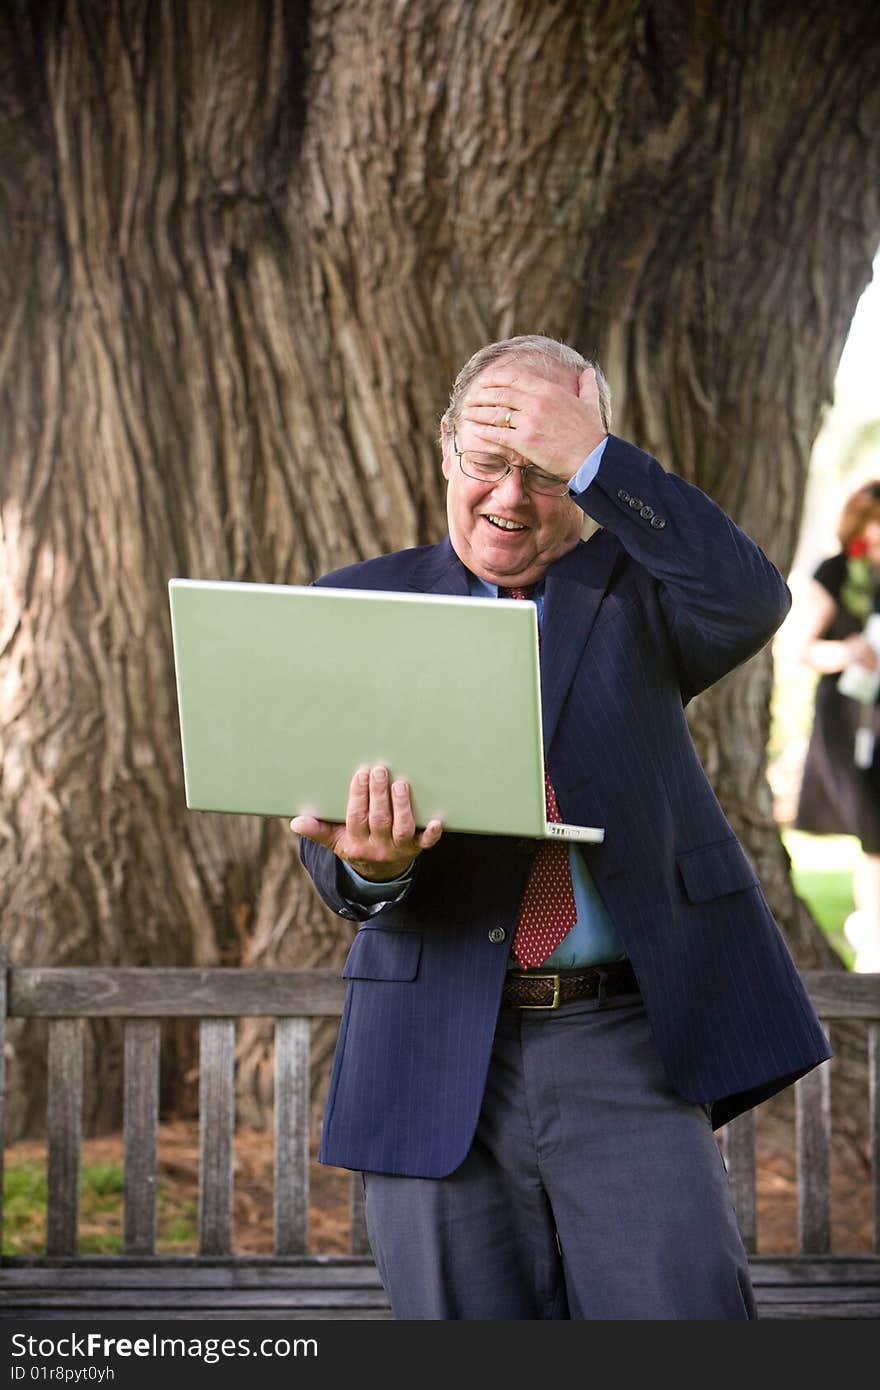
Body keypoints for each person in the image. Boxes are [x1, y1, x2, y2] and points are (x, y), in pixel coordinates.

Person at [290, 334, 831, 1320]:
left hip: (624, 1035)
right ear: (445, 450)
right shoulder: (356, 605)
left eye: (546, 471)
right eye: (489, 461)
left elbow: (750, 596)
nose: (510, 496)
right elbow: (334, 876)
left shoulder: (640, 595)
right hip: (431, 1037)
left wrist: (600, 461)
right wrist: (372, 869)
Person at [792, 481, 880, 972]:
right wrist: (848, 650)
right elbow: (805, 647)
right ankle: (873, 935)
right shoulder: (839, 571)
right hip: (849, 716)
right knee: (873, 828)